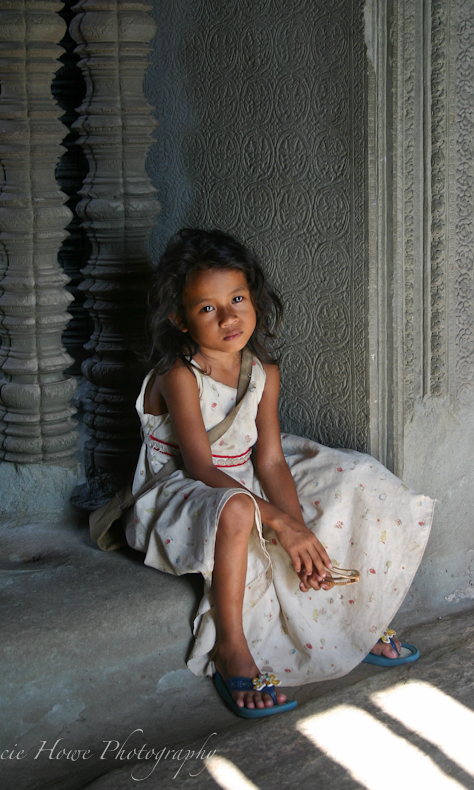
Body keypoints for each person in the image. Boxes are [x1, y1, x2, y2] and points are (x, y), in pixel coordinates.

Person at [121, 228, 434, 718]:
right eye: (207, 308)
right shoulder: (178, 374)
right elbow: (201, 467)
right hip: (183, 489)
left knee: (356, 476)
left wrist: (297, 530)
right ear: (178, 319)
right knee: (242, 508)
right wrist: (280, 523)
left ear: (256, 299)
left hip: (245, 473)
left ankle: (354, 621)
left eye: (238, 298)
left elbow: (268, 460)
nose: (229, 317)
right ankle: (232, 648)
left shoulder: (263, 370)